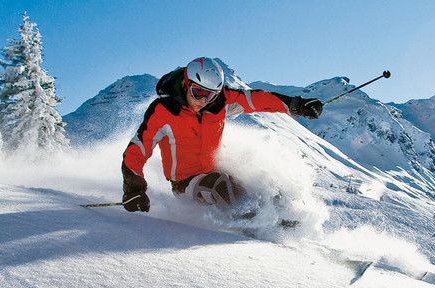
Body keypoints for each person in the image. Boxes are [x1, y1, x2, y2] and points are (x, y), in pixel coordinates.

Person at [121, 57, 323, 212]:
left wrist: (297, 105)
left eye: (211, 95)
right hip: (186, 182)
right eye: (199, 93)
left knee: (259, 185)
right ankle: (251, 232)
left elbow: (257, 99)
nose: (204, 100)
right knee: (220, 187)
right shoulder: (164, 111)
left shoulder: (219, 103)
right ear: (186, 83)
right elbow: (138, 150)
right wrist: (134, 189)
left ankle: (285, 225)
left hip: (215, 170)